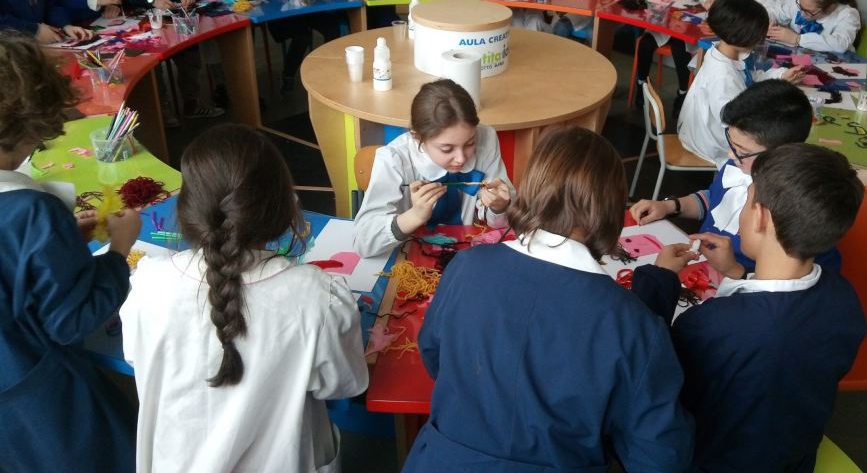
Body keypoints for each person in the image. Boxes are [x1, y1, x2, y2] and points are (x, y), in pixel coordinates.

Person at [402, 127, 693, 472]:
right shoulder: (635, 324)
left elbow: (435, 354)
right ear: (613, 209)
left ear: (532, 190)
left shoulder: (467, 266)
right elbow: (659, 456)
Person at [120, 124, 368, 473]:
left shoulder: (148, 282)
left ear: (188, 209)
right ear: (285, 205)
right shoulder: (317, 297)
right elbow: (343, 384)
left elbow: (136, 356)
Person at [632, 143, 866, 472]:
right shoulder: (845, 299)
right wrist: (738, 272)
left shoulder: (715, 325)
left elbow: (647, 368)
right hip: (793, 457)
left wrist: (658, 281)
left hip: (712, 459)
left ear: (759, 217)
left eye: (747, 199)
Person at [0, 34, 139, 473]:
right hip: (39, 397)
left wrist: (59, 248)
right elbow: (70, 321)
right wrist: (119, 249)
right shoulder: (31, 211)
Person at [632, 79, 842, 273]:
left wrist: (736, 272)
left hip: (745, 291)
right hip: (704, 267)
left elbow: (793, 285)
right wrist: (670, 207)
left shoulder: (797, 206)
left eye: (741, 150)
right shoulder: (741, 164)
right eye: (730, 141)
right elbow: (713, 199)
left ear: (780, 153)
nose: (730, 155)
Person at [353, 79, 512, 258]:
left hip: (468, 255)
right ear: (417, 137)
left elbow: (504, 223)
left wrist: (500, 206)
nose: (461, 158)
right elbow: (362, 243)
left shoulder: (486, 138)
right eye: (447, 148)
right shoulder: (394, 159)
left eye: (470, 143)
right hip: (407, 258)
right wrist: (414, 216)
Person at [677, 0, 803, 166]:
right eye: (758, 35)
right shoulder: (722, 75)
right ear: (740, 36)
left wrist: (781, 75)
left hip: (707, 130)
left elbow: (751, 77)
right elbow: (732, 121)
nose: (761, 39)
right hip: (709, 144)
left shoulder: (725, 52)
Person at [637, 0, 720, 108]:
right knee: (645, 43)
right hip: (664, 28)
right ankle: (642, 84)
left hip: (687, 33)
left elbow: (707, 5)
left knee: (679, 49)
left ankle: (683, 92)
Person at [768, 0, 862, 54]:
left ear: (830, 8)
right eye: (800, 7)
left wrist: (797, 39)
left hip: (834, 65)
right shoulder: (802, 2)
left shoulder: (847, 14)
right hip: (800, 58)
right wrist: (769, 21)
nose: (802, 14)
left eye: (809, 12)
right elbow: (775, 13)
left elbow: (841, 44)